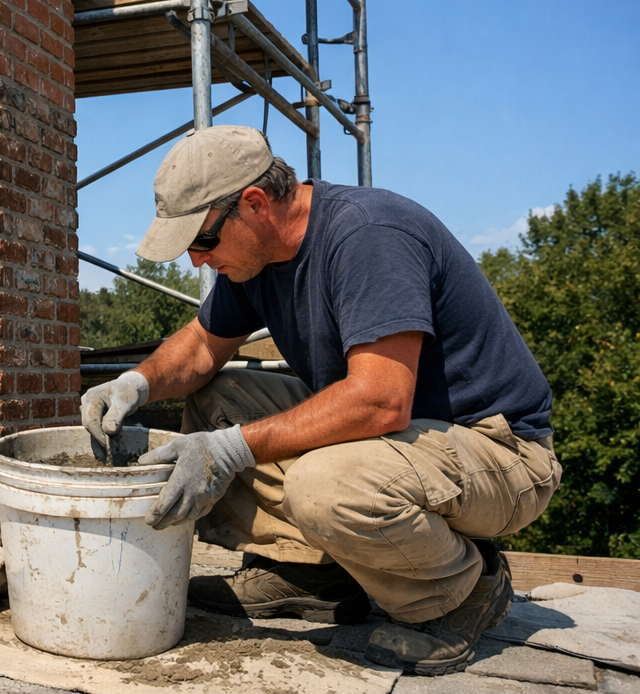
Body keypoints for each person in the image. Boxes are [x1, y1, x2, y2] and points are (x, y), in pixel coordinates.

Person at [81, 125, 559, 676]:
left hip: (500, 453)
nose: (195, 261)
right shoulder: (257, 258)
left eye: (203, 241)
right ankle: (311, 572)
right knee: (222, 395)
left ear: (254, 204)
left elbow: (381, 402)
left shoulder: (368, 236)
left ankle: (462, 589)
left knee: (327, 485)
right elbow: (196, 351)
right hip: (407, 447)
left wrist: (231, 450)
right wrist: (134, 384)